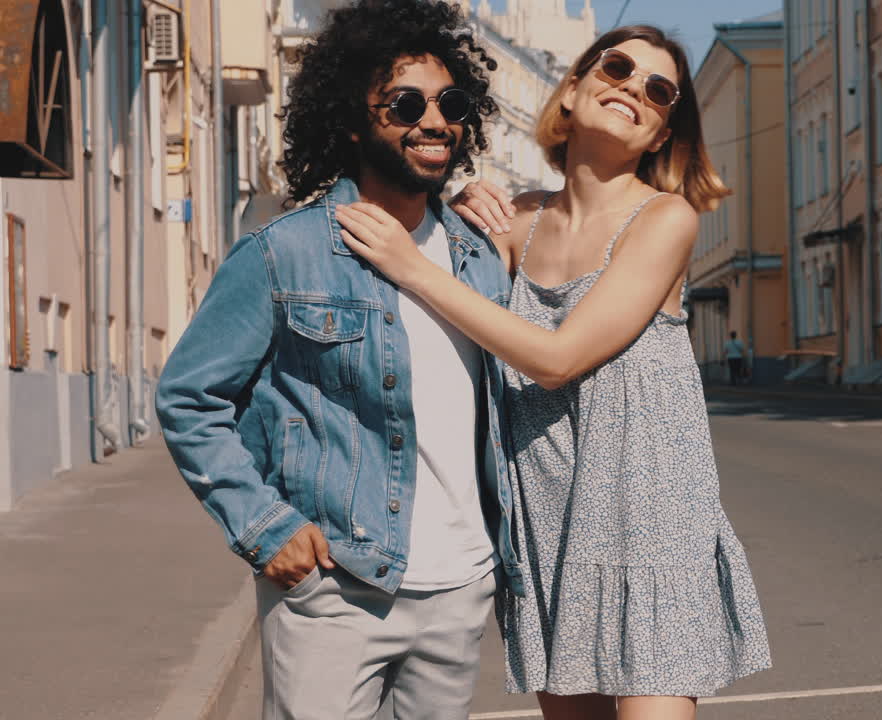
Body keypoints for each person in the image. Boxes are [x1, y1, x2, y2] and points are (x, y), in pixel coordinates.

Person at [337, 24, 771, 720]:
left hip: (649, 518)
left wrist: (413, 266)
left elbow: (556, 359)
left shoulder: (667, 219)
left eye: (659, 90)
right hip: (547, 513)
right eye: (617, 68)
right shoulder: (517, 222)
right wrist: (454, 207)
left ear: (662, 133)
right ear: (572, 90)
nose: (634, 88)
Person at [153, 2, 522, 718]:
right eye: (406, 104)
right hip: (337, 587)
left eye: (451, 104)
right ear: (354, 121)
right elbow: (190, 397)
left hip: (460, 589)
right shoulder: (285, 253)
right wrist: (265, 527)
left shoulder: (478, 259)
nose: (435, 121)